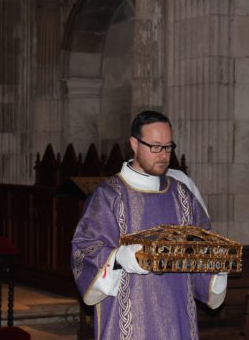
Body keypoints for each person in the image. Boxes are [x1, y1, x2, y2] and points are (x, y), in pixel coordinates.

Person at [71, 110, 227, 340]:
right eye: (155, 146)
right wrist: (119, 258)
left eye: (168, 146)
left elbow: (202, 248)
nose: (163, 155)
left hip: (177, 316)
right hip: (130, 321)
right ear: (134, 144)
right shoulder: (109, 196)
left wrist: (217, 266)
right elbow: (84, 251)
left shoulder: (182, 196)